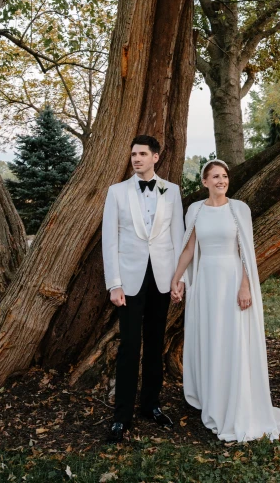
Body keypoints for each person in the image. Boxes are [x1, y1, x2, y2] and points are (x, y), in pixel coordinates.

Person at [171, 159, 280, 443]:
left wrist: (245, 285)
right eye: (214, 176)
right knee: (212, 338)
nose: (221, 181)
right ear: (204, 182)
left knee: (233, 338)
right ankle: (215, 400)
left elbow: (245, 251)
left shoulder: (239, 209)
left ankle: (237, 401)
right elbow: (190, 248)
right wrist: (177, 278)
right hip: (206, 283)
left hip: (232, 279)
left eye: (224, 176)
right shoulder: (195, 210)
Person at [102, 134, 185, 442]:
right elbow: (109, 240)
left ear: (155, 157)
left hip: (162, 280)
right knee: (128, 347)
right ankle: (120, 418)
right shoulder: (117, 192)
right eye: (133, 153)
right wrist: (114, 284)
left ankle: (150, 406)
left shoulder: (171, 191)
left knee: (154, 345)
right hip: (130, 282)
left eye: (142, 154)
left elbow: (178, 238)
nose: (136, 158)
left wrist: (179, 280)